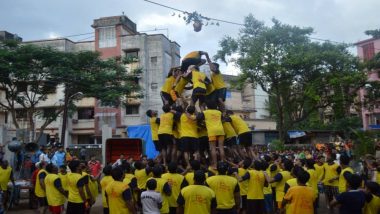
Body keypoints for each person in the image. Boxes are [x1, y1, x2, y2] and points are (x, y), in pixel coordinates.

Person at [197, 101, 225, 168]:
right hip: (221, 131)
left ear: (207, 106)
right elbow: (223, 120)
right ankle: (223, 163)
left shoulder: (205, 112)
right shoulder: (219, 112)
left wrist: (203, 123)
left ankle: (215, 165)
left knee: (213, 148)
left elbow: (198, 118)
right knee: (221, 147)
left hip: (212, 132)